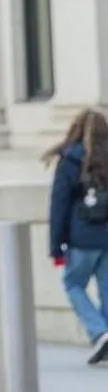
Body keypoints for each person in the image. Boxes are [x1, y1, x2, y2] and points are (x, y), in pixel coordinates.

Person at [46, 108, 108, 365]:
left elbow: (59, 204)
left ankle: (99, 331)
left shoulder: (70, 159)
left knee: (73, 284)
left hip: (81, 238)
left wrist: (56, 247)